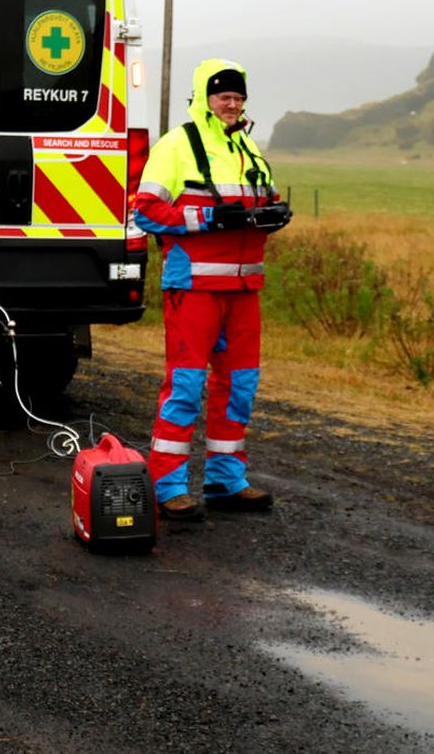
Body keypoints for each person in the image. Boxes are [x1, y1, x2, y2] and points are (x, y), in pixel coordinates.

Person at [132, 58, 290, 522]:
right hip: (195, 286)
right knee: (186, 385)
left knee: (240, 385)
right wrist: (206, 219)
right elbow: (144, 211)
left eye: (239, 97)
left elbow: (261, 202)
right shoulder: (176, 145)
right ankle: (167, 485)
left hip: (243, 287)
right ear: (206, 97)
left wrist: (274, 214)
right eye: (225, 96)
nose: (233, 104)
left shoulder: (248, 147)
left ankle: (226, 480)